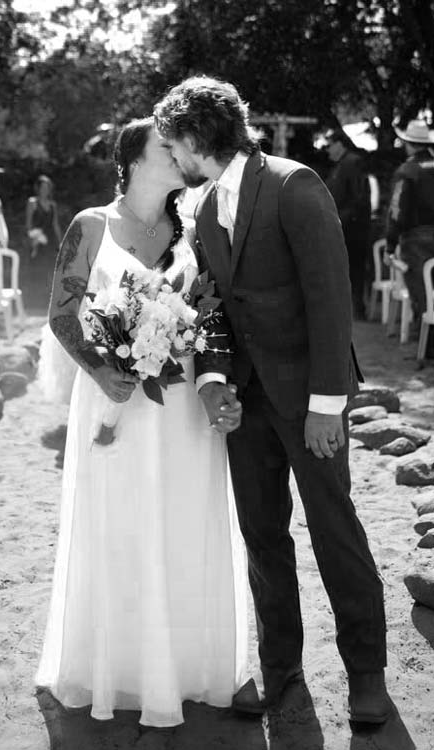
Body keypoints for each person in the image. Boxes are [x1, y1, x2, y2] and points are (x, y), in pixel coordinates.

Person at [154, 77, 389, 724]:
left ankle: (367, 674)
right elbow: (213, 312)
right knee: (262, 539)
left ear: (198, 139)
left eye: (174, 145)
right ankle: (282, 672)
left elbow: (330, 299)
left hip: (307, 400)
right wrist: (212, 381)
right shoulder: (200, 211)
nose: (171, 159)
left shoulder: (293, 185)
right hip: (246, 407)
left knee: (335, 532)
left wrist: (324, 406)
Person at [35, 117, 249, 727]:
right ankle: (122, 667)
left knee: (183, 520)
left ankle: (183, 666)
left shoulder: (195, 229)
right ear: (132, 160)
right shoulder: (91, 226)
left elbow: (208, 317)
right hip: (116, 400)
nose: (179, 155)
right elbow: (62, 312)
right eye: (166, 146)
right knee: (121, 522)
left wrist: (210, 383)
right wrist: (103, 370)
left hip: (180, 408)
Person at [386, 119, 434, 327]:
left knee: (421, 292)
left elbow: (397, 210)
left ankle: (428, 345)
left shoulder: (406, 171)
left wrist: (390, 243)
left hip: (417, 240)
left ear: (408, 143)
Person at [323, 129, 372, 319]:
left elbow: (359, 198)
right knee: (345, 269)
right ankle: (350, 309)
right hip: (343, 225)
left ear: (339, 144)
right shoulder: (341, 164)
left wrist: (341, 218)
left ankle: (357, 308)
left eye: (329, 146)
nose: (327, 150)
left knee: (354, 269)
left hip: (353, 228)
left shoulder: (352, 162)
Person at [25, 175, 62, 261]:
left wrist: (60, 243)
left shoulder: (53, 205)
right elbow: (28, 224)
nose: (45, 190)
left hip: (51, 241)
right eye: (43, 187)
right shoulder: (32, 202)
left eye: (47, 188)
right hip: (37, 240)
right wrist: (33, 241)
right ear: (38, 188)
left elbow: (55, 225)